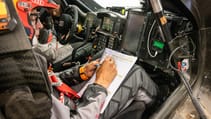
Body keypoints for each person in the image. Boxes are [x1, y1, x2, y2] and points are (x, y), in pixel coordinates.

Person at [0, 0, 158, 119]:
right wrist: (99, 86)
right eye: (34, 17)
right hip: (76, 111)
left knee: (99, 59)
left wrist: (79, 73)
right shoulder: (15, 96)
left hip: (62, 101)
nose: (40, 26)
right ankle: (162, 101)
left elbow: (46, 80)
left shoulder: (11, 67)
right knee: (137, 74)